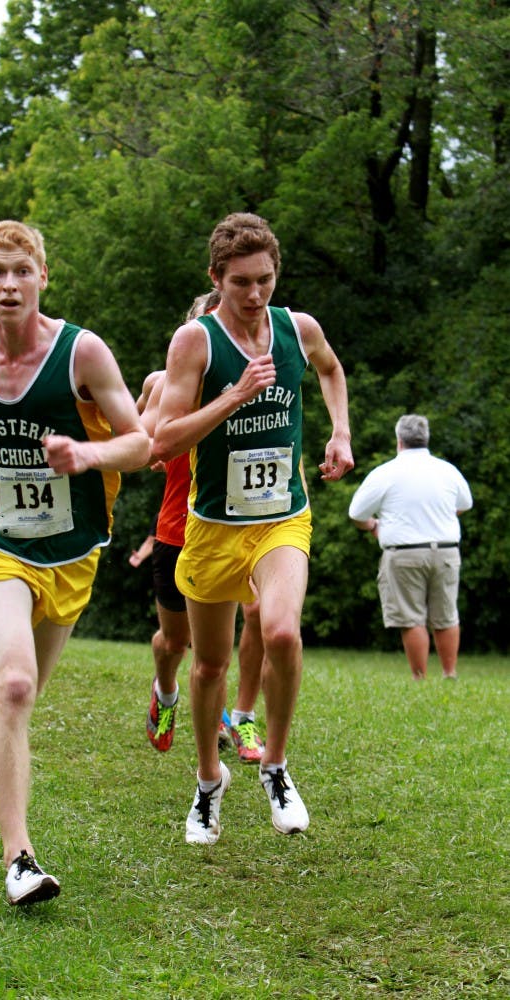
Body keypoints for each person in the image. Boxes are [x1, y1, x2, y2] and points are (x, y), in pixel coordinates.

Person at [0, 219, 149, 906]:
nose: (9, 284)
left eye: (22, 271)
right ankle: (19, 858)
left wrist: (88, 454)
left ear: (42, 277)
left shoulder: (82, 355)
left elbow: (140, 443)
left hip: (71, 550)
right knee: (18, 688)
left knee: (17, 687)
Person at [153, 212, 354, 844]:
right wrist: (234, 396)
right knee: (209, 665)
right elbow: (162, 439)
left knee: (282, 633)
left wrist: (340, 430)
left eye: (264, 279)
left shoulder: (297, 328)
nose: (254, 294)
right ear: (216, 278)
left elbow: (330, 368)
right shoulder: (195, 342)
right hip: (212, 526)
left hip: (282, 518)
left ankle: (276, 766)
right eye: (240, 281)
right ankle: (208, 783)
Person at [140, 292, 266, 763]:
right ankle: (166, 689)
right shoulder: (164, 384)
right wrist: (157, 448)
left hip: (242, 529)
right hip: (179, 530)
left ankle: (239, 717)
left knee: (250, 621)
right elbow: (146, 439)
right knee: (176, 640)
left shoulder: (254, 385)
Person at [348, 414, 473, 680]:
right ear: (426, 438)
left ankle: (420, 678)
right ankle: (449, 673)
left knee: (412, 618)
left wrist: (373, 526)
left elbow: (357, 513)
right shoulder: (447, 470)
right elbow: (465, 504)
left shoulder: (385, 472)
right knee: (447, 615)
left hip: (403, 554)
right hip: (447, 550)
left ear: (399, 441)